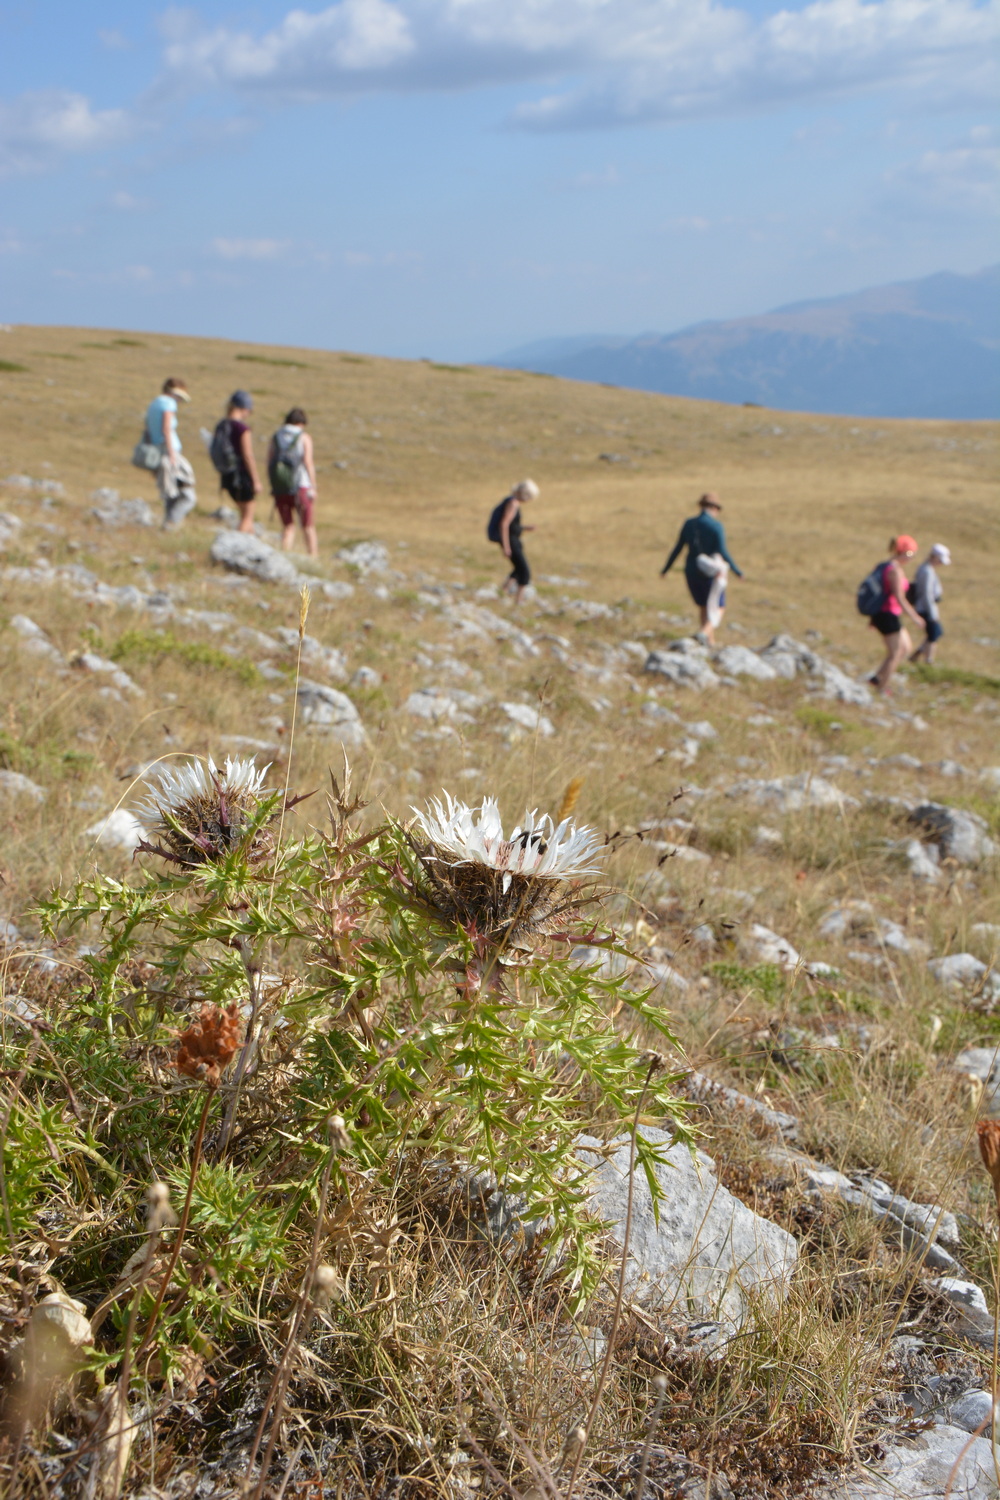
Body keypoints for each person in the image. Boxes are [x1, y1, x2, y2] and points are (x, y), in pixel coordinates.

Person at [660, 492, 743, 646]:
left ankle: (710, 642)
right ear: (714, 508)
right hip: (710, 572)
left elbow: (678, 548)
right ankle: (703, 633)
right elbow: (722, 552)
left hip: (691, 570)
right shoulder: (716, 526)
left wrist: (666, 569)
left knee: (704, 605)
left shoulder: (689, 524)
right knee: (719, 606)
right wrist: (737, 571)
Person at [867, 535, 924, 693]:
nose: (912, 558)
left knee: (905, 648)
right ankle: (882, 688)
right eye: (911, 554)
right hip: (887, 614)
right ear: (904, 552)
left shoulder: (883, 566)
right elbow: (899, 598)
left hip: (884, 613)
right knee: (896, 652)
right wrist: (915, 617)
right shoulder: (894, 571)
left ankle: (877, 678)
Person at [146, 378, 196, 528]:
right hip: (170, 452)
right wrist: (172, 454)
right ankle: (171, 523)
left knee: (172, 493)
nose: (179, 401)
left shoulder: (154, 404)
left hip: (158, 451)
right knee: (188, 496)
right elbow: (167, 428)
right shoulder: (168, 403)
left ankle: (167, 525)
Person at [267, 408, 318, 557]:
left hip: (280, 488)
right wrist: (313, 486)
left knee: (288, 527)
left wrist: (274, 484)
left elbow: (270, 462)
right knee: (308, 526)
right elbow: (308, 462)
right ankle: (313, 557)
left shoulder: (275, 437)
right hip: (301, 486)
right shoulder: (304, 437)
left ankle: (284, 556)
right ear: (301, 423)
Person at [212, 391, 261, 534]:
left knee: (244, 513)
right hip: (241, 476)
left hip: (226, 475)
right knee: (248, 516)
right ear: (243, 408)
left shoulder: (221, 425)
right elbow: (247, 455)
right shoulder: (242, 428)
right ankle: (236, 543)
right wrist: (256, 480)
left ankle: (251, 545)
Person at [489, 479, 538, 601]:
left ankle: (503, 591)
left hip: (512, 539)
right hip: (511, 541)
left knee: (517, 568)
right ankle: (519, 600)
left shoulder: (510, 501)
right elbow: (504, 524)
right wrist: (506, 547)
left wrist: (525, 528)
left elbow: (511, 525)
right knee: (524, 571)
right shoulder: (513, 504)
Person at [910, 543, 951, 663]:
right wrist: (932, 614)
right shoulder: (927, 571)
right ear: (934, 557)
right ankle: (928, 660)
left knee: (935, 632)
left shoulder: (925, 569)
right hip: (926, 608)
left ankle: (917, 655)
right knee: (933, 634)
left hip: (926, 607)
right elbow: (926, 593)